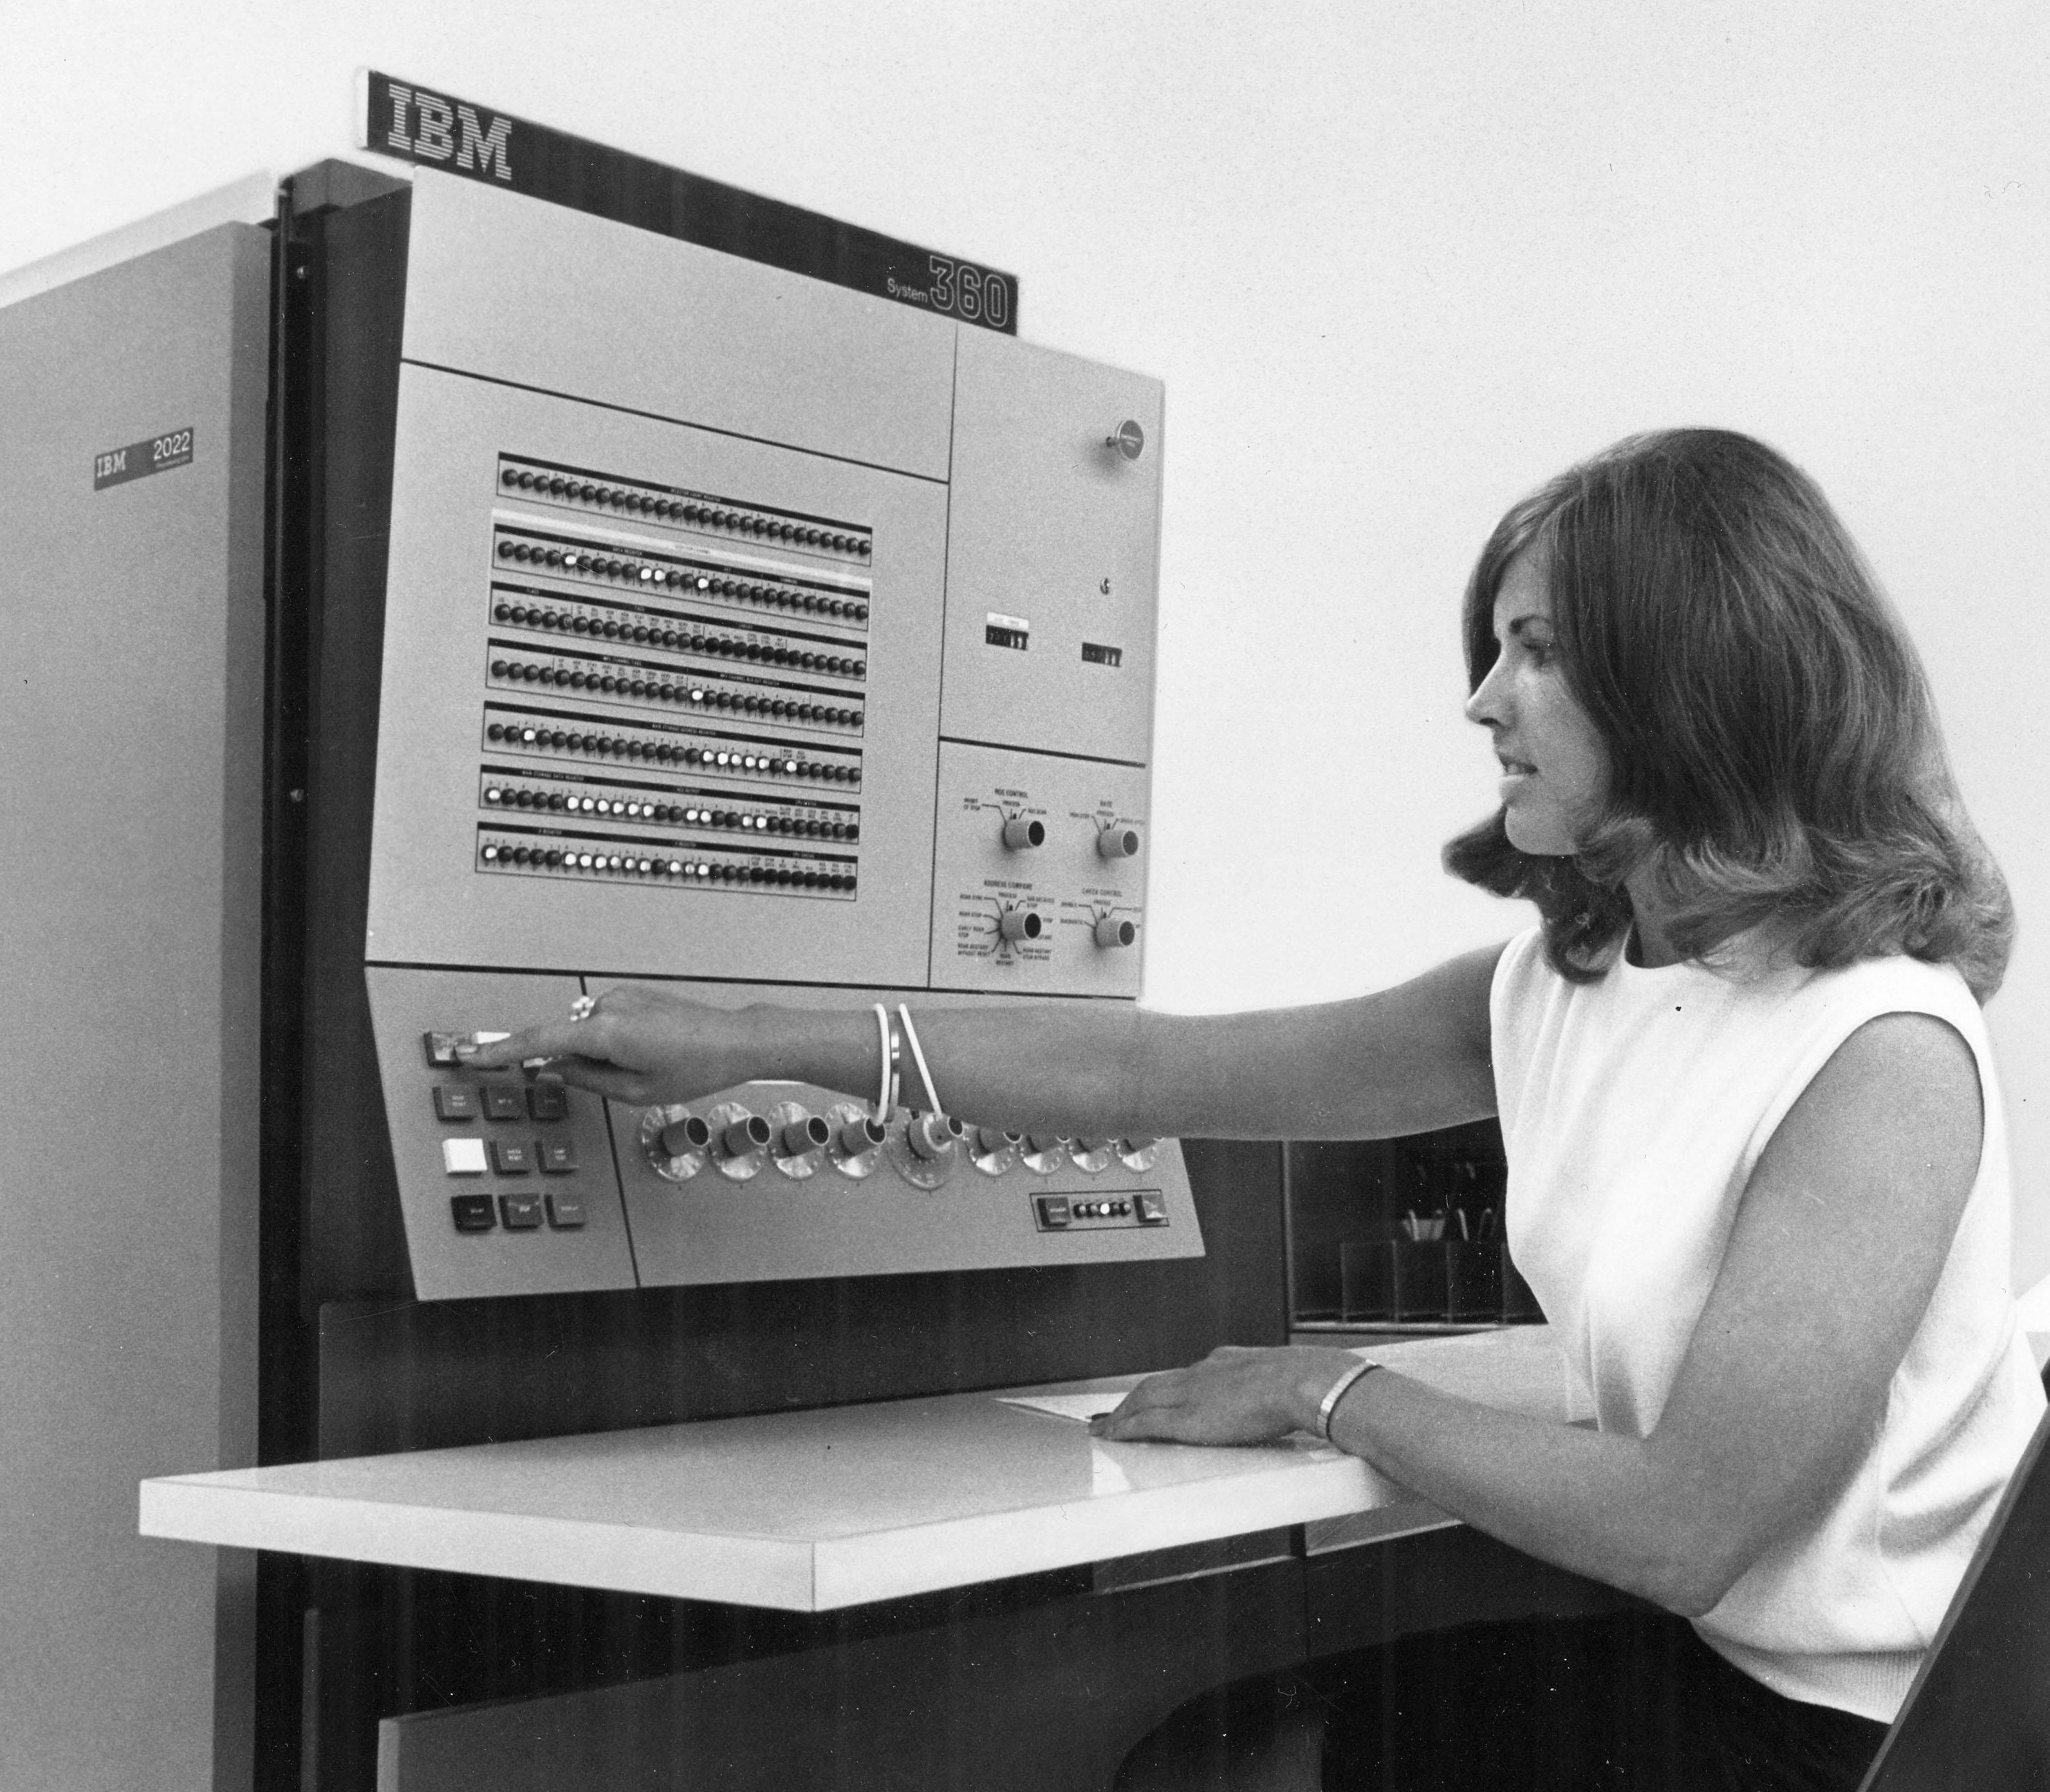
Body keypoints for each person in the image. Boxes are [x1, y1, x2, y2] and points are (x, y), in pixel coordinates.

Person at [471, 429, 2046, 1791]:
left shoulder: (1875, 1047)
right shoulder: (1563, 983)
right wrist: (745, 1040)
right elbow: (1137, 1072)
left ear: (1687, 682)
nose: (1484, 698)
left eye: (1540, 649)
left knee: (1228, 1765)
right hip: (1730, 1680)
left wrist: (1327, 1392)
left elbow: (1679, 1529)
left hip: (1877, 1743)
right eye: (1492, 646)